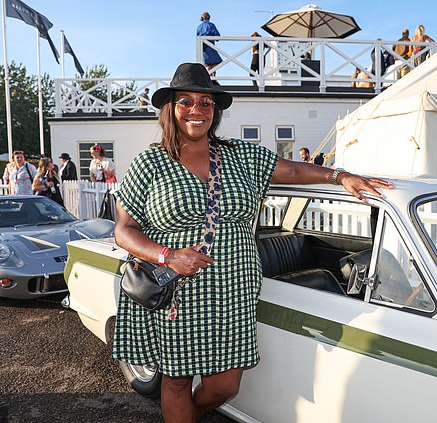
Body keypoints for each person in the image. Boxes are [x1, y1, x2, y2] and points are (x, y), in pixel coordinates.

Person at [111, 62, 394, 423]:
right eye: (186, 102)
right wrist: (167, 256)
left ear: (215, 111)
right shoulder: (149, 163)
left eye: (205, 103)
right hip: (176, 290)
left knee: (225, 386)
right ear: (171, 108)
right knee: (177, 380)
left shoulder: (240, 156)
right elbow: (124, 229)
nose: (196, 110)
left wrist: (339, 175)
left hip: (234, 290)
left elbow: (291, 170)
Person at [197, 11, 222, 75]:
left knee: (207, 64)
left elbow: (197, 38)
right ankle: (210, 74)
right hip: (210, 47)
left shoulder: (199, 27)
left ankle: (209, 74)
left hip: (202, 49)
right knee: (217, 61)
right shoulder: (211, 25)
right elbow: (217, 37)